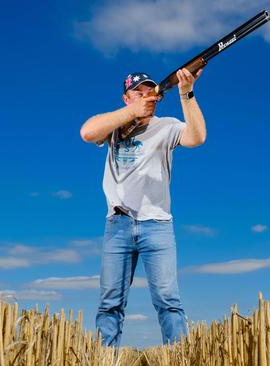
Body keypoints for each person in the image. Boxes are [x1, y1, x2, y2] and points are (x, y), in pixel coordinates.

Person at [79, 67, 206, 346]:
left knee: (168, 301)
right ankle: (104, 361)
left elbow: (196, 138)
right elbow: (87, 132)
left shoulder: (167, 126)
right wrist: (133, 111)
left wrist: (187, 93)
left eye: (150, 93)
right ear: (127, 98)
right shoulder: (113, 127)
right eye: (139, 93)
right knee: (109, 303)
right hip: (117, 224)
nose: (146, 97)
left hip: (157, 224)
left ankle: (179, 360)